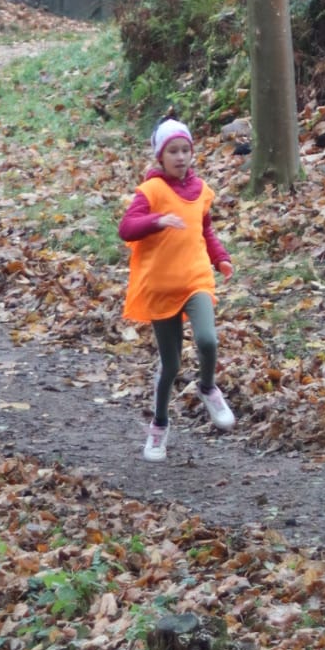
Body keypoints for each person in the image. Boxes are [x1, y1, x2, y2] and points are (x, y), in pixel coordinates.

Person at [119, 118, 236, 461]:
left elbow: (205, 231)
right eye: (173, 151)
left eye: (186, 150)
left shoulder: (201, 191)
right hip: (161, 286)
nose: (181, 157)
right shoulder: (152, 191)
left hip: (195, 280)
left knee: (208, 341)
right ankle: (159, 426)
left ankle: (208, 388)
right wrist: (157, 220)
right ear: (161, 156)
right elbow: (127, 228)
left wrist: (220, 258)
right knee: (170, 365)